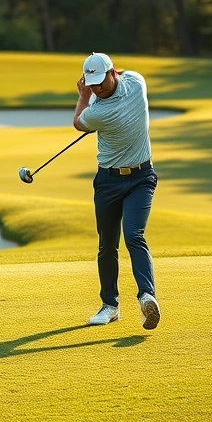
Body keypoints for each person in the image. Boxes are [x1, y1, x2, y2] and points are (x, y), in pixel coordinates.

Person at [73, 52, 160, 329]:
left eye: (101, 81)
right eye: (92, 84)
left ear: (113, 73)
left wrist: (83, 97)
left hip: (141, 177)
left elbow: (78, 122)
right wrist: (89, 96)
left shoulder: (109, 101)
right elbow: (81, 121)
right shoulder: (128, 87)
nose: (97, 88)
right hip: (108, 181)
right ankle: (110, 306)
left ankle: (148, 298)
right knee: (107, 244)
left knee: (134, 234)